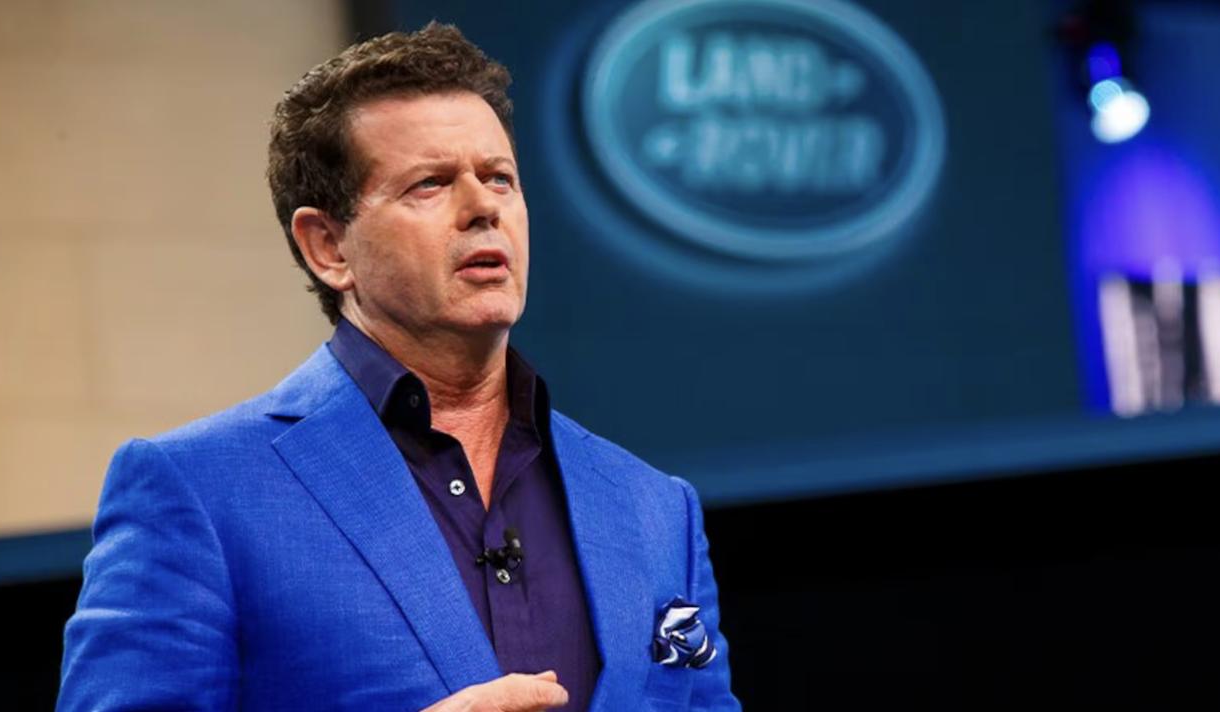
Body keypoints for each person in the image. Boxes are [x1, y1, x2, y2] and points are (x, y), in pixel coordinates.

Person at [58, 22, 738, 712]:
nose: (484, 208)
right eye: (430, 185)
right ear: (328, 247)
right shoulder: (199, 490)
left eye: (499, 178)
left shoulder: (656, 507)